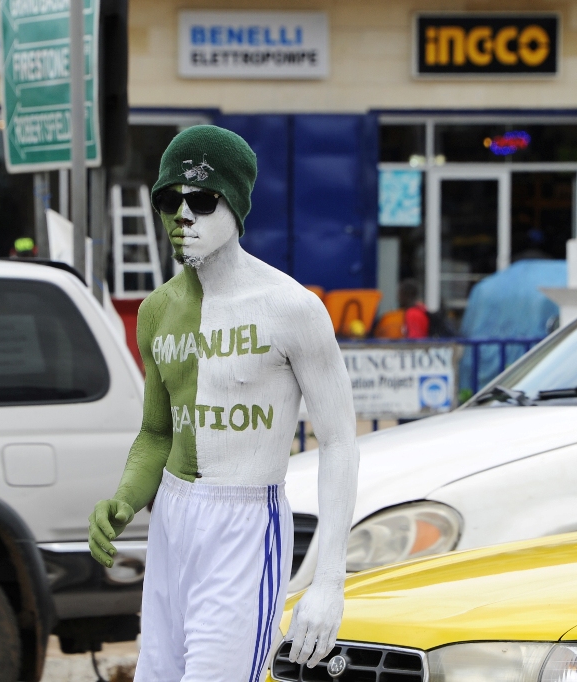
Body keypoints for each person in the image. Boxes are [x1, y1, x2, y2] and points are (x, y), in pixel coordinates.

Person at [87, 126, 359, 682]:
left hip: (245, 522)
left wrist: (329, 580)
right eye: (169, 200)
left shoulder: (292, 307)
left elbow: (339, 440)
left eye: (202, 199)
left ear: (235, 206)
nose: (182, 215)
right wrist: (123, 499)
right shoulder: (156, 311)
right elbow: (157, 433)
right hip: (171, 516)